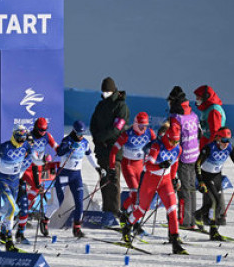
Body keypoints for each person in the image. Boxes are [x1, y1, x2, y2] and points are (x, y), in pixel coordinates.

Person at [121, 123, 187, 255]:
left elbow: (175, 163)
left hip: (165, 180)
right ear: (167, 137)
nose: (174, 144)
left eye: (177, 141)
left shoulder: (178, 149)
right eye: (172, 141)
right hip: (150, 180)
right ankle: (127, 226)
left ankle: (175, 242)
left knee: (172, 209)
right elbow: (147, 165)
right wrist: (160, 165)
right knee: (142, 209)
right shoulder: (157, 146)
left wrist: (174, 178)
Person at [42, 121, 103, 238]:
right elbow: (59, 152)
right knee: (57, 203)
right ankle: (45, 221)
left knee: (79, 202)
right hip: (64, 174)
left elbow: (90, 156)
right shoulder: (67, 140)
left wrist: (98, 168)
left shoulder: (84, 142)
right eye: (79, 133)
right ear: (74, 131)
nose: (81, 136)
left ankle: (77, 228)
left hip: (76, 176)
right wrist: (69, 147)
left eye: (83, 133)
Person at [90, 77, 130, 217]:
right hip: (101, 150)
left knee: (113, 182)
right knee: (104, 181)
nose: (105, 93)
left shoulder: (121, 106)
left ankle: (114, 212)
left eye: (107, 91)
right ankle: (106, 212)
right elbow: (93, 124)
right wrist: (97, 138)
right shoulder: (100, 105)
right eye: (103, 91)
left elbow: (117, 129)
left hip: (114, 150)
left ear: (113, 90)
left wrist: (102, 137)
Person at [196, 127, 234, 239]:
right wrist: (201, 181)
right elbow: (197, 164)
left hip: (217, 175)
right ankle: (213, 231)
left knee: (214, 202)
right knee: (216, 202)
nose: (226, 143)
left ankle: (198, 215)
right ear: (217, 138)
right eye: (224, 140)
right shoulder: (209, 148)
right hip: (206, 176)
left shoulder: (230, 148)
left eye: (228, 140)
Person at [109, 112, 156, 223]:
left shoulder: (150, 132)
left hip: (141, 165)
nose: (143, 128)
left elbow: (157, 146)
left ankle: (125, 211)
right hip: (128, 165)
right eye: (140, 126)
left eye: (145, 126)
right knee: (135, 193)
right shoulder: (127, 134)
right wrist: (112, 169)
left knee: (143, 195)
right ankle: (132, 221)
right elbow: (113, 152)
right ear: (135, 124)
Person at [15, 117, 58, 241]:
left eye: (45, 130)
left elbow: (56, 146)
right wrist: (44, 159)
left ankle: (24, 213)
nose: (43, 132)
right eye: (40, 130)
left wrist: (63, 149)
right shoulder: (29, 137)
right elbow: (33, 157)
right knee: (36, 187)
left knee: (36, 192)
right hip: (28, 165)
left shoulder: (47, 136)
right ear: (35, 128)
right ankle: (22, 214)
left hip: (39, 166)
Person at [166, 86, 200, 229]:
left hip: (183, 156)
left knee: (183, 189)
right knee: (191, 188)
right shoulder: (192, 114)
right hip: (194, 154)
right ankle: (191, 219)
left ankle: (185, 221)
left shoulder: (176, 117)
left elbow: (174, 139)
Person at [194, 85, 226, 224]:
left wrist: (211, 152)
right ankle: (209, 213)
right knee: (208, 184)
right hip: (207, 150)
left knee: (213, 185)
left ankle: (217, 215)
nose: (197, 100)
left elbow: (215, 133)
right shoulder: (208, 109)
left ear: (206, 97)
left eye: (199, 98)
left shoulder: (213, 111)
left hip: (211, 152)